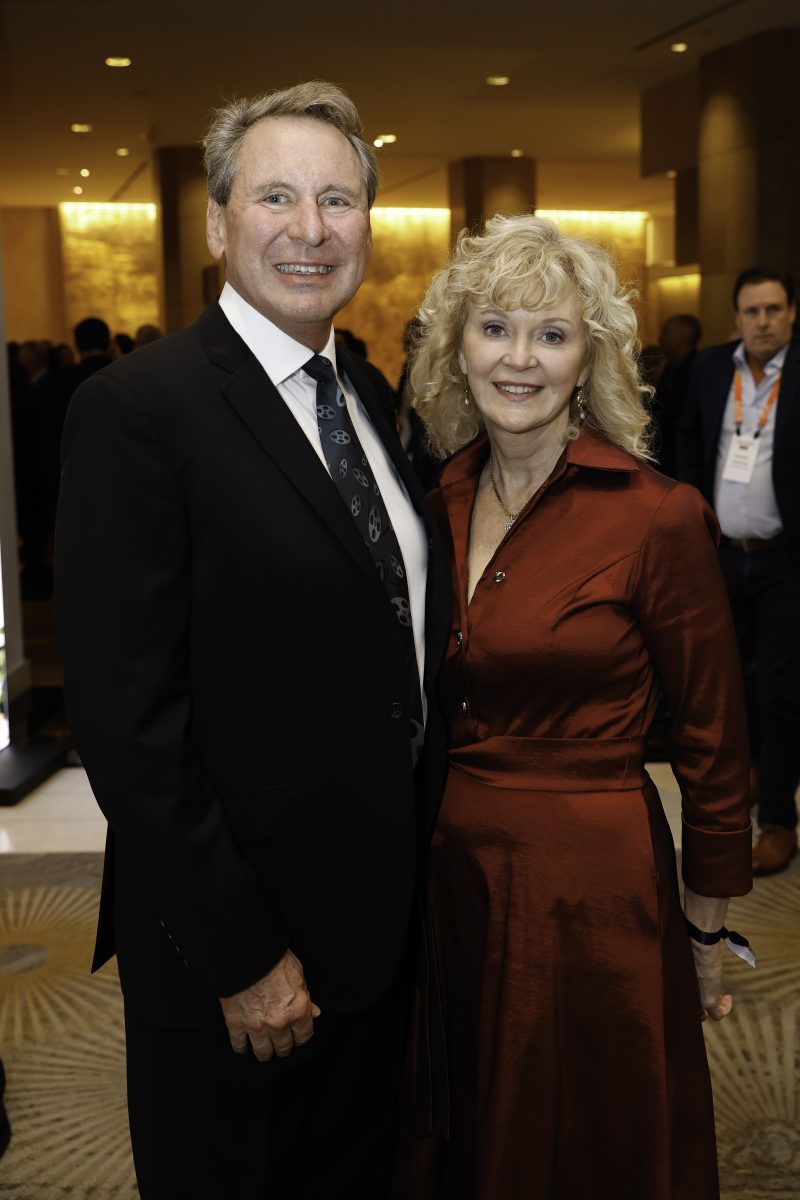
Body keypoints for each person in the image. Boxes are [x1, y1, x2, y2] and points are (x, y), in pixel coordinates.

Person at [55, 81, 450, 1200]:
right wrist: (240, 955)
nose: (310, 228)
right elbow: (128, 724)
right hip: (238, 954)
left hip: (376, 930)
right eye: (275, 197)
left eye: (338, 199)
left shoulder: (363, 387)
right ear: (218, 223)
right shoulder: (138, 410)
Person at [408, 214, 753, 1200]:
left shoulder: (655, 515)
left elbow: (714, 742)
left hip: (594, 892)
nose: (518, 358)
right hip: (450, 880)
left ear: (588, 359)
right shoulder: (434, 501)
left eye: (550, 334)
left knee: (594, 1137)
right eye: (494, 328)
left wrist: (704, 930)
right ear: (457, 349)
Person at [677, 268, 800, 876]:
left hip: (784, 560)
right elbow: (686, 445)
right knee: (729, 682)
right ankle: (748, 777)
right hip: (722, 555)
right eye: (752, 311)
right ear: (736, 318)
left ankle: (778, 819)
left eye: (774, 309)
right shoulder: (707, 369)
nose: (763, 322)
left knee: (780, 689)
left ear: (792, 313)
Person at [650, 312, 702, 477]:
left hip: (684, 459)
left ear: (682, 337)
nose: (659, 338)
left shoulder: (698, 369)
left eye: (665, 333)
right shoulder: (669, 367)